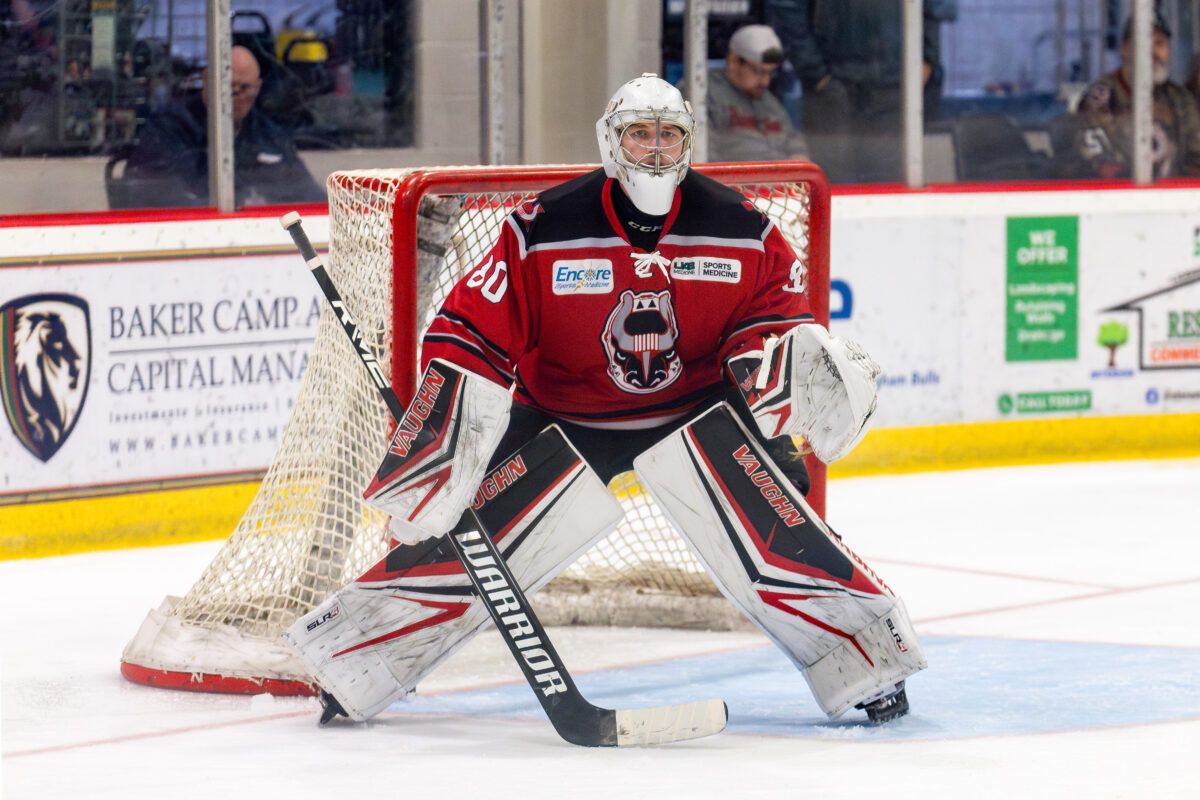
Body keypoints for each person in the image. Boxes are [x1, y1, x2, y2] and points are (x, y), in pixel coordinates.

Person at [284, 74, 926, 730]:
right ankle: (356, 658)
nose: (654, 150)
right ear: (610, 141)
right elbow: (470, 329)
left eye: (668, 135)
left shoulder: (742, 227)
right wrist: (435, 451)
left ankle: (867, 660)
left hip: (695, 411)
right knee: (469, 528)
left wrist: (777, 375)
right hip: (563, 412)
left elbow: (772, 319)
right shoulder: (543, 226)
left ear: (688, 142)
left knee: (777, 518)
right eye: (639, 134)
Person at [766, 0, 958, 183]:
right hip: (832, 90)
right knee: (832, 181)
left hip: (894, 88)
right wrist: (816, 74)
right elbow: (787, 10)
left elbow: (935, 9)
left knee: (890, 185)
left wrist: (927, 60)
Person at [122, 45, 324, 208]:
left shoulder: (267, 133)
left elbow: (308, 193)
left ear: (258, 87)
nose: (234, 97)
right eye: (226, 87)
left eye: (244, 88)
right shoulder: (169, 128)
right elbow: (153, 194)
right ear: (207, 81)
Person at [1054, 13, 1200, 180]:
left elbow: (1196, 157)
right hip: (1117, 200)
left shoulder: (1180, 99)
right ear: (1124, 49)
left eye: (1159, 44)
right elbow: (1092, 164)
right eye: (1143, 42)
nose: (1152, 51)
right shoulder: (1100, 97)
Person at [703, 24, 808, 162]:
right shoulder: (703, 91)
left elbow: (793, 140)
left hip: (778, 178)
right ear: (733, 61)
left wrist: (798, 156)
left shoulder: (768, 100)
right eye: (758, 71)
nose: (765, 81)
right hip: (731, 179)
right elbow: (701, 153)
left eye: (771, 73)